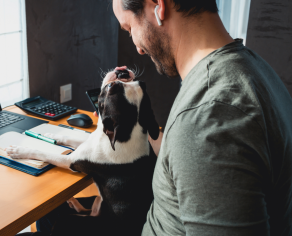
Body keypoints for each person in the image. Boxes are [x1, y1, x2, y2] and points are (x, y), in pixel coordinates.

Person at [19, 0, 292, 235]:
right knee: (49, 215)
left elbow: (200, 142)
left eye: (130, 29)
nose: (137, 47)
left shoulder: (210, 115)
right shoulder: (254, 70)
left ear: (158, 6)